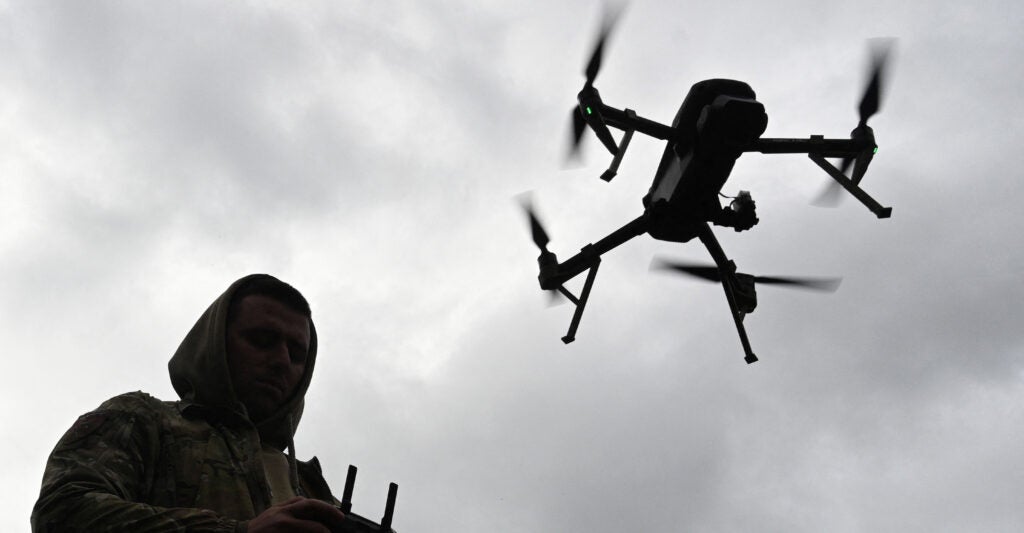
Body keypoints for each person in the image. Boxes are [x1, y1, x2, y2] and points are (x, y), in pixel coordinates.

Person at [32, 274, 348, 532]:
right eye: (262, 341)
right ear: (216, 345)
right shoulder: (143, 420)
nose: (281, 361)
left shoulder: (312, 488)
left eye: (297, 355)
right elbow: (62, 512)